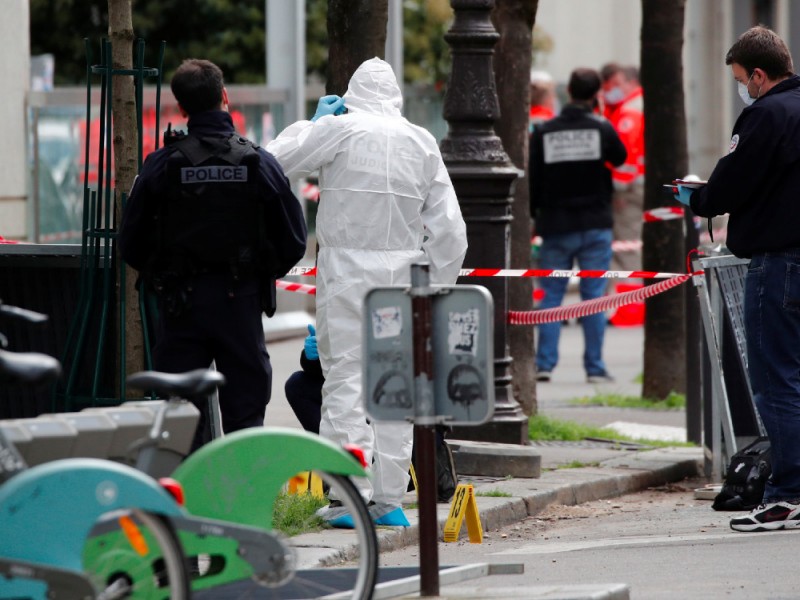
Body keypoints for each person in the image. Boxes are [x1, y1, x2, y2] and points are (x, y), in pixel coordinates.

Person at [268, 57, 468, 527]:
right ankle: (390, 499)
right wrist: (435, 288)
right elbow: (450, 231)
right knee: (393, 386)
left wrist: (311, 125)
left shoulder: (341, 129)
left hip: (346, 272)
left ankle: (347, 498)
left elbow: (272, 163)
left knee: (345, 383)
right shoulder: (420, 142)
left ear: (353, 93)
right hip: (401, 273)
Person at [118, 59, 307, 451]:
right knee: (246, 412)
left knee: (184, 417)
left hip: (180, 306)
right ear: (224, 97)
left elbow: (130, 243)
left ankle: (189, 502)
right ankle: (243, 503)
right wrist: (257, 274)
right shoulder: (258, 162)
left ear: (181, 109)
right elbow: (293, 238)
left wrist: (164, 275)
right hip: (240, 303)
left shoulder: (162, 167)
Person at [676, 25, 800, 533]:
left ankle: (788, 493)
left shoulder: (765, 114)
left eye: (740, 79)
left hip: (779, 261)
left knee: (777, 380)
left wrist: (697, 199)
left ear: (758, 73)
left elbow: (732, 181)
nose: (741, 89)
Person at [529, 67, 627, 384]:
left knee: (551, 296)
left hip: (556, 225)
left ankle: (544, 365)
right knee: (594, 297)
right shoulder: (601, 127)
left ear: (568, 92)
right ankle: (595, 368)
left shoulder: (544, 131)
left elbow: (534, 181)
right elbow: (622, 157)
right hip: (595, 225)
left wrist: (535, 219)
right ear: (596, 96)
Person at [285, 324, 458, 503]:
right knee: (298, 385)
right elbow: (336, 372)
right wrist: (315, 355)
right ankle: (340, 459)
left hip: (405, 408)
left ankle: (426, 463)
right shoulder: (344, 306)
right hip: (362, 401)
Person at [600, 62, 645, 272]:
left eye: (617, 84)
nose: (611, 89)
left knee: (627, 251)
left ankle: (632, 304)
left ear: (631, 82)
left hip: (628, 192)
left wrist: (618, 189)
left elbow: (625, 158)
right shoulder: (640, 105)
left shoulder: (629, 112)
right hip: (641, 187)